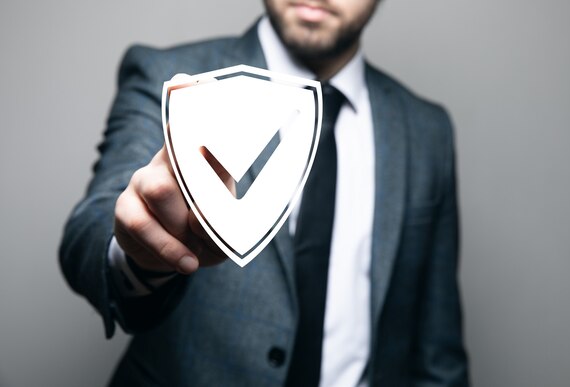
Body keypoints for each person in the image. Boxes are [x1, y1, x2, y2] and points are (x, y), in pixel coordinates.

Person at [60, 0, 470, 385]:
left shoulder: (425, 131)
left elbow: (438, 348)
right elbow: (92, 228)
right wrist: (142, 254)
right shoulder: (171, 77)